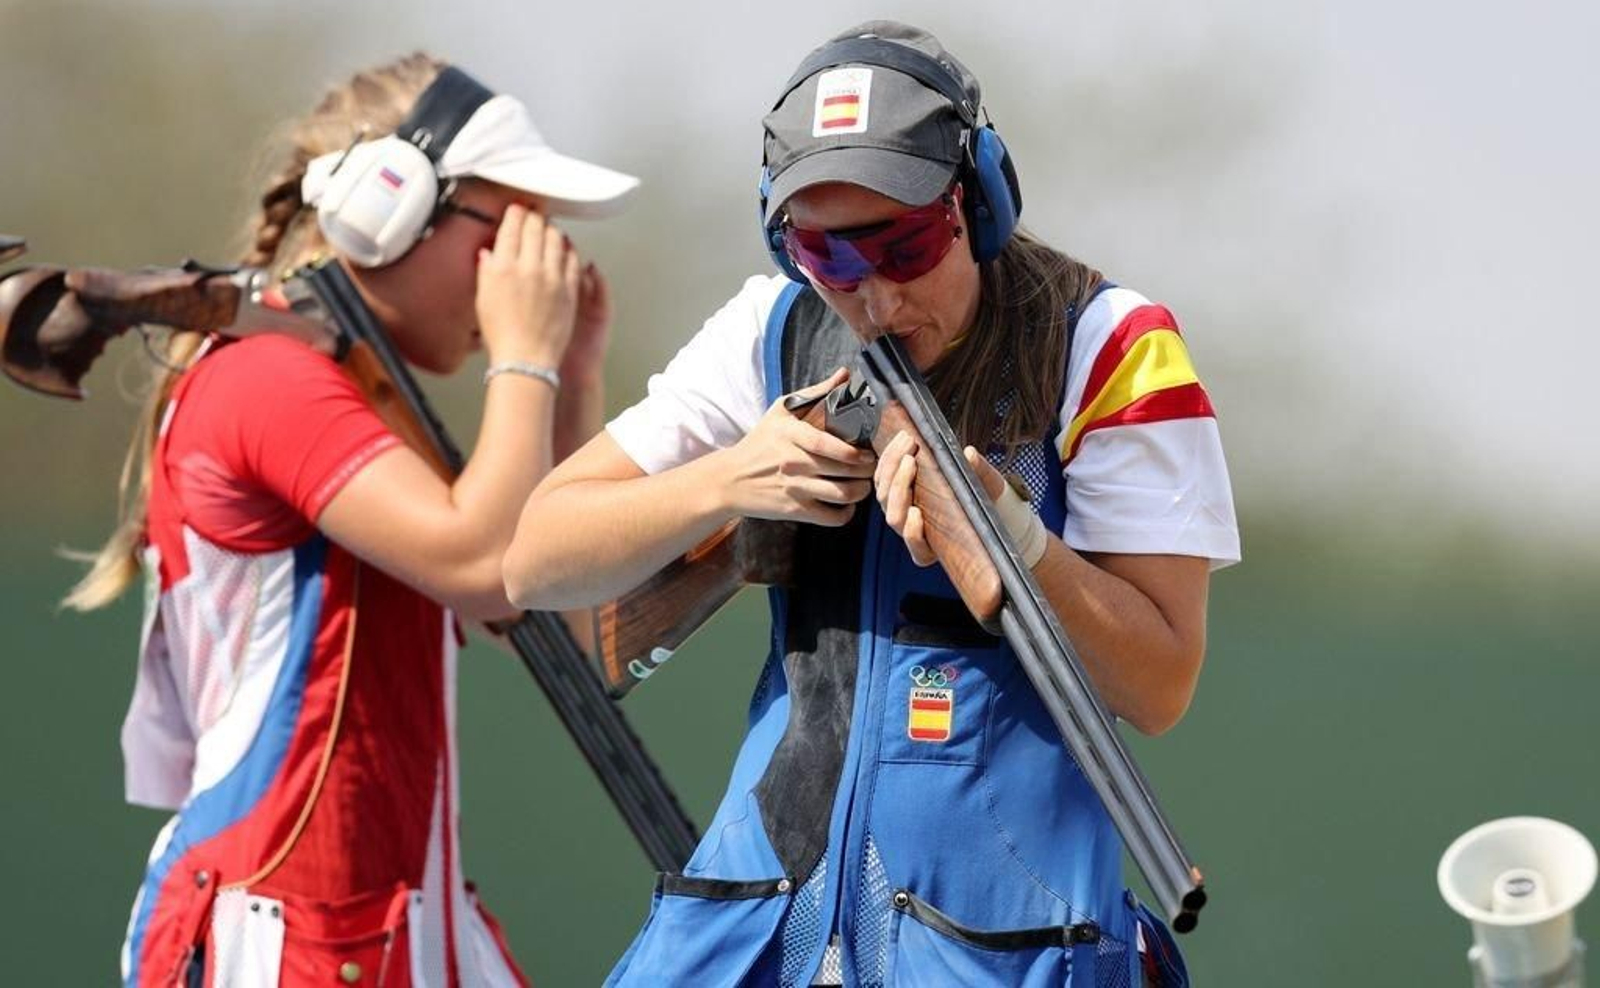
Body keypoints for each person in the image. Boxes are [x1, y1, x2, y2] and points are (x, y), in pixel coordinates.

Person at [504, 20, 1238, 988]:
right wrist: (730, 481)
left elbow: (1158, 684)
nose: (875, 296)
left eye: (905, 244)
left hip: (999, 940)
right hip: (762, 919)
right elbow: (537, 560)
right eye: (827, 255)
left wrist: (1007, 531)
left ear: (976, 202)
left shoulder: (1109, 344)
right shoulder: (770, 326)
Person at [62, 53, 637, 985]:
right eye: (512, 228)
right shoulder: (266, 379)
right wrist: (525, 359)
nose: (533, 271)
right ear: (391, 204)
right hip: (284, 927)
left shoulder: (366, 396)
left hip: (387, 922)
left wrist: (570, 384)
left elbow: (558, 618)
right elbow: (486, 563)